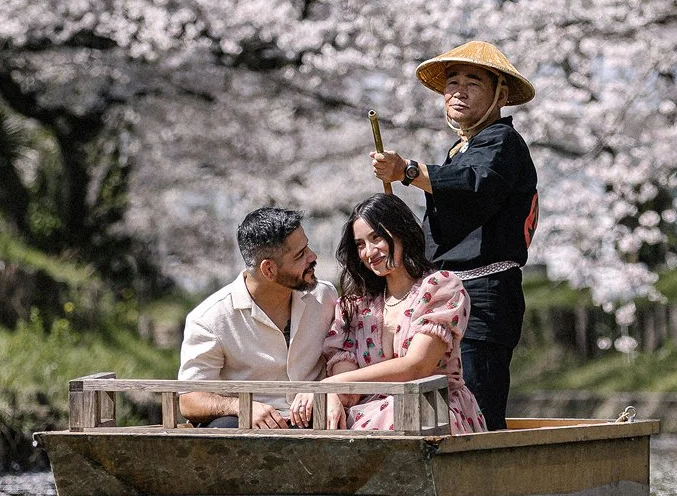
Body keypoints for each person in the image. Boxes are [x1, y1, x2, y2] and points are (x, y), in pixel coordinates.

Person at [370, 40, 537, 431]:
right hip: (444, 298)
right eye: (452, 82)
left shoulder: (501, 141)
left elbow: (474, 185)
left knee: (478, 408)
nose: (458, 91)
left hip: (483, 294)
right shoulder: (461, 149)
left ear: (499, 94)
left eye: (473, 82)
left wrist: (408, 171)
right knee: (440, 408)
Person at [294, 194, 485, 434]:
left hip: (432, 410)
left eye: (377, 238)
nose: (369, 252)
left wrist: (330, 384)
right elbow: (345, 376)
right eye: (360, 244)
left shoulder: (440, 287)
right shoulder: (355, 305)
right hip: (368, 412)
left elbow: (417, 366)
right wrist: (334, 393)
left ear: (401, 232)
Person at [178, 206, 336, 428]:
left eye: (307, 246)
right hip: (250, 431)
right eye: (300, 255)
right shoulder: (209, 319)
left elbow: (344, 356)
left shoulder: (325, 296)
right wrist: (242, 407)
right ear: (269, 270)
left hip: (317, 418)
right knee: (223, 428)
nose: (313, 256)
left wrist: (329, 390)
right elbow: (189, 399)